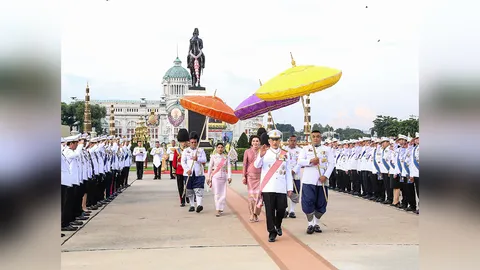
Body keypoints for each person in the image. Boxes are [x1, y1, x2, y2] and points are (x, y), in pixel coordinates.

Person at [254, 129, 293, 243]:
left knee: (281, 209)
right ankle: (271, 232)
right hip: (268, 186)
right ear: (269, 141)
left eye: (277, 140)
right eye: (272, 140)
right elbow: (257, 165)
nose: (275, 142)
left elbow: (288, 171)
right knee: (270, 211)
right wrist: (260, 155)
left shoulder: (285, 153)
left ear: (279, 140)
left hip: (281, 186)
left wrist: (289, 188)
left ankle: (278, 224)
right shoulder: (264, 152)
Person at [297, 130, 335, 234]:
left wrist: (326, 176)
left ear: (321, 138)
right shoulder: (305, 149)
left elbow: (331, 164)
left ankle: (316, 223)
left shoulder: (327, 150)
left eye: (318, 136)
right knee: (308, 201)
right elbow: (299, 161)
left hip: (321, 181)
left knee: (321, 203)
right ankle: (310, 224)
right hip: (309, 179)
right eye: (313, 136)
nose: (315, 138)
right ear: (310, 138)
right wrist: (310, 161)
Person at [181, 131, 207, 213]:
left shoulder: (201, 150)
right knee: (189, 190)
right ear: (189, 142)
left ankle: (199, 205)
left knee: (199, 189)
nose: (193, 144)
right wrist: (187, 169)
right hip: (188, 173)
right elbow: (183, 162)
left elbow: (204, 160)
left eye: (195, 142)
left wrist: (197, 159)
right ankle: (192, 205)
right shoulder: (185, 151)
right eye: (192, 142)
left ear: (197, 142)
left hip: (198, 173)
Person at [207, 142, 232, 217]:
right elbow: (210, 167)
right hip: (215, 176)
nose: (220, 149)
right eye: (219, 147)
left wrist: (229, 176)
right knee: (217, 193)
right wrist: (208, 177)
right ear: (216, 148)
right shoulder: (213, 157)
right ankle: (217, 209)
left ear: (223, 148)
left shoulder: (226, 157)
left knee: (223, 194)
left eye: (221, 147)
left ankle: (221, 207)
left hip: (223, 176)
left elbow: (229, 167)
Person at [242, 135, 262, 222]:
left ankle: (256, 214)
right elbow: (244, 164)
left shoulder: (262, 152)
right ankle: (251, 214)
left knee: (258, 196)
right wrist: (243, 176)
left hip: (260, 177)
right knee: (251, 196)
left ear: (260, 142)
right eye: (253, 141)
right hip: (250, 176)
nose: (255, 143)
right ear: (251, 142)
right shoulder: (247, 151)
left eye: (257, 141)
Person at [282, 135, 302, 218]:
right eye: (291, 140)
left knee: (295, 192)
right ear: (288, 141)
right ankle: (285, 209)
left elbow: (300, 162)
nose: (293, 142)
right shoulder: (284, 150)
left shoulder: (300, 150)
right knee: (285, 192)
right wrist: (288, 171)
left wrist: (294, 170)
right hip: (286, 174)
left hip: (295, 174)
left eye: (294, 141)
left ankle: (292, 210)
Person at [173, 129, 189, 207]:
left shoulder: (189, 150)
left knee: (187, 185)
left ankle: (187, 196)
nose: (184, 143)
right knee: (180, 187)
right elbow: (174, 161)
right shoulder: (177, 150)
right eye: (182, 142)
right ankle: (182, 200)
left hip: (186, 170)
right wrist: (174, 170)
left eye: (185, 141)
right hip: (179, 170)